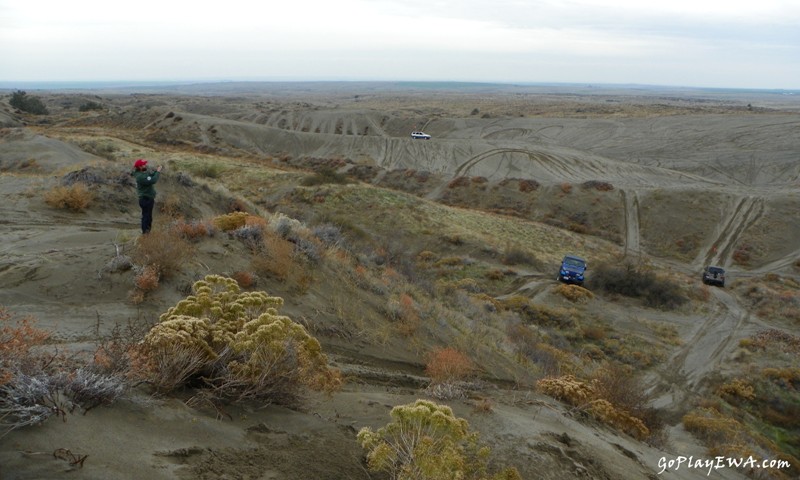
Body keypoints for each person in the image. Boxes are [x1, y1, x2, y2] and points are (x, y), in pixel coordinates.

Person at [130, 159, 163, 234]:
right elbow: (153, 180)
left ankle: (147, 233)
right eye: (143, 165)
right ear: (140, 167)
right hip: (146, 199)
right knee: (146, 217)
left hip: (146, 199)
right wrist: (158, 171)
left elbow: (149, 176)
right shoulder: (140, 176)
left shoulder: (141, 173)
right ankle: (145, 234)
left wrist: (155, 171)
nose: (145, 165)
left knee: (148, 217)